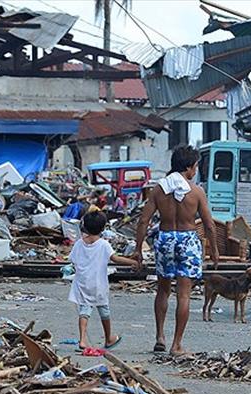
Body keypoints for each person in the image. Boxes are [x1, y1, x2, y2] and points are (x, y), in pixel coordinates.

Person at [134, 145, 218, 355]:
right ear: (189, 167)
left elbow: (144, 220)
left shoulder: (158, 190)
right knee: (184, 295)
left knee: (162, 290)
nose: (196, 171)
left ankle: (160, 336)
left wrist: (138, 249)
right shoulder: (196, 192)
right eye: (196, 166)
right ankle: (176, 344)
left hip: (165, 239)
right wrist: (214, 250)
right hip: (188, 239)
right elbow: (209, 225)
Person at [69, 210, 139, 350]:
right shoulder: (103, 244)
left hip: (82, 282)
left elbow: (73, 261)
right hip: (98, 283)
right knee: (104, 311)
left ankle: (83, 339)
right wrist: (132, 262)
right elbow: (115, 259)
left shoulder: (78, 244)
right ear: (102, 228)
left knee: (84, 311)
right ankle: (108, 338)